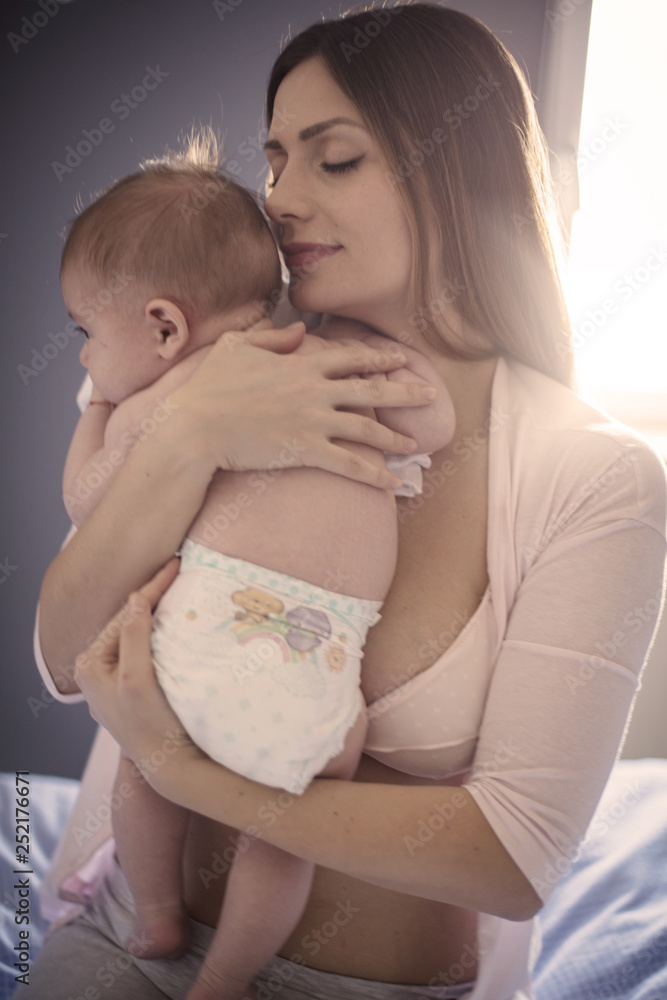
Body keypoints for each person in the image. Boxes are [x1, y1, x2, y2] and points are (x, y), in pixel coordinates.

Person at [31, 4, 666, 1000]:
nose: (280, 199)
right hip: (125, 937)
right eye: (275, 160)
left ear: (456, 170)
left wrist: (183, 769)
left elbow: (514, 858)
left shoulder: (593, 478)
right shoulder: (197, 354)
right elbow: (67, 658)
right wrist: (195, 436)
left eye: (334, 160)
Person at [57, 139, 454, 1000]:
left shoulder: (171, 399)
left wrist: (101, 413)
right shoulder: (330, 365)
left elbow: (86, 500)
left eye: (87, 334)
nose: (85, 359)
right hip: (318, 670)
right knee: (286, 832)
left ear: (165, 327)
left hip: (195, 657)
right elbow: (433, 424)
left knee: (145, 767)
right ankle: (226, 979)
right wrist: (399, 359)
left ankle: (157, 912)